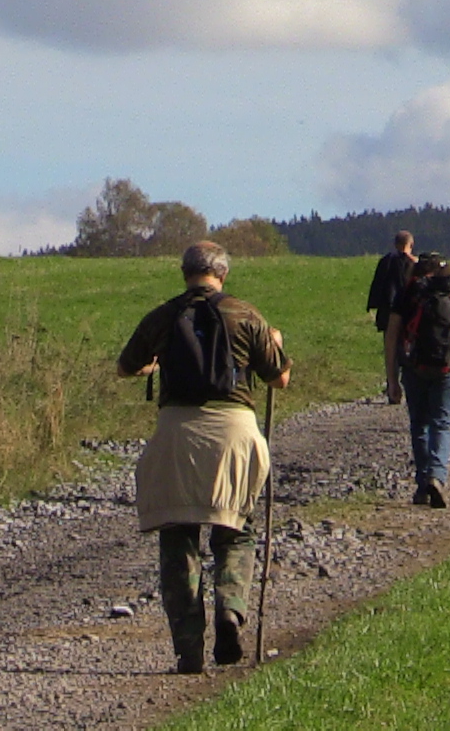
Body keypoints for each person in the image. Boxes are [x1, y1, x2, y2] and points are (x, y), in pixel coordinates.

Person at [117, 241, 291, 674]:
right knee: (237, 530)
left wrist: (152, 366)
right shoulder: (246, 315)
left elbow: (125, 366)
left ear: (184, 273)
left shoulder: (163, 315)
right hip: (234, 430)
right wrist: (275, 344)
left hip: (177, 433)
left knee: (177, 537)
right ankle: (230, 608)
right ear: (223, 274)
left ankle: (188, 650)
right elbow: (280, 378)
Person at [388, 252, 450, 508]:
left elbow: (391, 339)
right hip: (447, 369)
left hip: (415, 369)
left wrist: (392, 379)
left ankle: (423, 483)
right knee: (442, 424)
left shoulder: (408, 295)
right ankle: (437, 476)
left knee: (419, 424)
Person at [365, 231, 416, 399]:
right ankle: (412, 387)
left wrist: (374, 307)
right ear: (411, 244)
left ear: (395, 244)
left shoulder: (385, 262)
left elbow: (377, 288)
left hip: (388, 314)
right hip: (410, 315)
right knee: (410, 349)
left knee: (391, 350)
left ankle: (392, 387)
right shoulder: (415, 264)